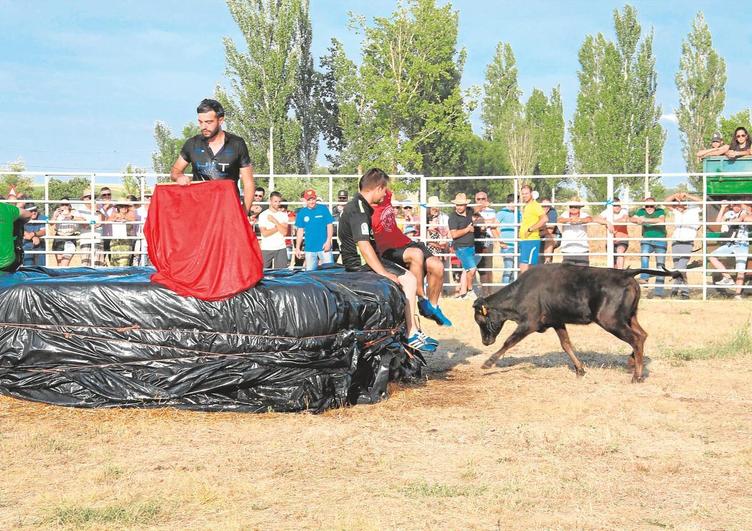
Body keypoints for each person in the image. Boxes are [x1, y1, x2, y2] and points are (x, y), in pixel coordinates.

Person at [338, 168, 437, 352]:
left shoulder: (358, 206)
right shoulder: (359, 209)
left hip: (360, 261)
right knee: (409, 279)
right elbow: (364, 246)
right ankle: (411, 332)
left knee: (404, 274)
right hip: (361, 264)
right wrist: (383, 273)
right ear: (377, 188)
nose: (385, 194)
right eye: (384, 190)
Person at [371, 187, 452, 326]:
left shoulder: (386, 196)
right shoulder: (366, 210)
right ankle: (421, 299)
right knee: (416, 254)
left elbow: (387, 187)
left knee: (437, 265)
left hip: (405, 241)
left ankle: (432, 307)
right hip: (388, 248)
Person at [170, 98, 255, 215]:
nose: (204, 126)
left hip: (227, 210)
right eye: (200, 122)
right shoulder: (192, 144)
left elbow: (248, 182)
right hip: (199, 210)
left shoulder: (237, 144)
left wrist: (244, 212)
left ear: (220, 120)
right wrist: (179, 177)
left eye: (209, 122)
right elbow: (175, 171)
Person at [708, 201, 751, 299]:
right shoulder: (729, 213)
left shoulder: (745, 212)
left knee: (740, 270)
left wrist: (732, 221)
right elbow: (717, 222)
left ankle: (737, 294)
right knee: (712, 256)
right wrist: (723, 207)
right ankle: (727, 278)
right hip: (730, 243)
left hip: (742, 244)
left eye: (738, 205)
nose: (735, 207)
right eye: (733, 205)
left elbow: (740, 220)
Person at [665, 192, 702, 299]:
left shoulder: (694, 210)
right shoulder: (676, 211)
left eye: (678, 203)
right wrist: (675, 195)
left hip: (687, 242)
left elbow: (701, 202)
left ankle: (682, 291)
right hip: (676, 242)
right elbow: (665, 202)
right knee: (678, 268)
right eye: (675, 203)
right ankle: (677, 291)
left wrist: (686, 195)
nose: (676, 205)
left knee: (681, 268)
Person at [630, 197, 667, 297]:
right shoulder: (641, 211)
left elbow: (661, 220)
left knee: (660, 266)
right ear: (644, 206)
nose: (649, 208)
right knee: (644, 256)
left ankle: (658, 292)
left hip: (660, 239)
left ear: (655, 206)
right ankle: (644, 277)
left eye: (651, 206)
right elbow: (632, 218)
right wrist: (637, 220)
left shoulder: (660, 211)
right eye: (647, 206)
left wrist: (645, 220)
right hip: (646, 238)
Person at [294, 189, 334, 271]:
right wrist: (297, 247)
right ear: (305, 200)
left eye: (313, 199)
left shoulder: (323, 209)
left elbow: (330, 225)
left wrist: (328, 241)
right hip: (309, 249)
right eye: (309, 199)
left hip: (324, 247)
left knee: (330, 272)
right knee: (310, 273)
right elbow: (300, 231)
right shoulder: (302, 212)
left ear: (316, 198)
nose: (311, 201)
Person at [448, 193, 477, 299]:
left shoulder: (470, 212)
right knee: (472, 269)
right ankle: (470, 290)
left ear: (465, 205)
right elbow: (454, 234)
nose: (459, 207)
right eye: (457, 205)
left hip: (470, 246)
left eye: (461, 205)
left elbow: (477, 208)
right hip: (461, 247)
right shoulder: (453, 217)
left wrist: (484, 204)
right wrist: (467, 229)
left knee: (467, 270)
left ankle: (463, 293)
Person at [518, 184, 547, 273]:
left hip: (531, 240)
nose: (524, 196)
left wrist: (530, 229)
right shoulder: (527, 206)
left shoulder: (535, 205)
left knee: (526, 269)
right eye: (523, 194)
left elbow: (544, 219)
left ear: (531, 193)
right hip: (525, 240)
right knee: (524, 267)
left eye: (526, 193)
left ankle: (528, 286)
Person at [594, 198, 630, 269]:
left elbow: (624, 220)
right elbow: (596, 219)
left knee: (620, 252)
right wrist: (607, 222)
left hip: (622, 239)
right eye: (615, 205)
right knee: (612, 262)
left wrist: (611, 222)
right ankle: (615, 276)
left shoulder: (624, 211)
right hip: (610, 240)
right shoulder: (607, 212)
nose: (617, 207)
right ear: (611, 206)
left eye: (619, 205)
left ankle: (620, 273)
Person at [258, 191, 289, 269]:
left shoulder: (283, 215)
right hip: (266, 248)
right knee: (263, 274)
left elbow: (284, 232)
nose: (277, 203)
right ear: (270, 201)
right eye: (275, 201)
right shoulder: (263, 215)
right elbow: (265, 233)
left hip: (281, 248)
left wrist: (275, 221)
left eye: (279, 201)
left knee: (282, 275)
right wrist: (278, 227)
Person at [473, 191, 496, 295]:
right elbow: (474, 223)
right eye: (478, 199)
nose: (481, 201)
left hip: (488, 240)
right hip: (476, 240)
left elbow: (494, 223)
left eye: (483, 199)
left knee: (488, 267)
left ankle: (488, 292)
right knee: (477, 268)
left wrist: (482, 222)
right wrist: (486, 222)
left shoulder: (492, 211)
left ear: (487, 200)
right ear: (475, 200)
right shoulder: (472, 211)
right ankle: (480, 291)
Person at [558, 198, 592, 266]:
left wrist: (579, 220)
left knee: (583, 272)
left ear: (579, 208)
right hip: (567, 249)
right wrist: (569, 219)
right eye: (571, 207)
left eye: (575, 207)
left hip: (582, 249)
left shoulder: (583, 214)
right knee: (567, 273)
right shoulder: (565, 214)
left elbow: (590, 219)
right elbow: (559, 219)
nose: (573, 208)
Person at [1, 200, 33, 272]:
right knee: (18, 221)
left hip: (7, 263)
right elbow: (28, 215)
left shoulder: (7, 208)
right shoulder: (6, 208)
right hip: (8, 263)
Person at [50, 199, 83, 267]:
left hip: (70, 237)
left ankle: (63, 276)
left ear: (69, 205)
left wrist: (72, 217)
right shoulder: (57, 212)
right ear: (60, 206)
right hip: (59, 237)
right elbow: (51, 223)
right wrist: (55, 216)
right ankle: (61, 277)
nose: (64, 206)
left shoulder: (74, 212)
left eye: (66, 204)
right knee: (59, 264)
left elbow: (83, 220)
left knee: (64, 264)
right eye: (62, 205)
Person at [75, 192, 105, 267]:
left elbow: (103, 221)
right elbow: (83, 225)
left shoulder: (99, 209)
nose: (91, 199)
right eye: (89, 197)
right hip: (85, 240)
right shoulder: (79, 210)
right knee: (86, 264)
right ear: (83, 199)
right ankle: (86, 278)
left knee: (99, 264)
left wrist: (97, 211)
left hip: (98, 239)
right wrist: (92, 225)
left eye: (93, 197)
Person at [108, 197, 137, 267]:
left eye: (125, 205)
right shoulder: (114, 213)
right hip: (115, 241)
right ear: (118, 207)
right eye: (121, 206)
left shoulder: (131, 213)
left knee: (124, 262)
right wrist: (115, 218)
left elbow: (134, 220)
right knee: (114, 262)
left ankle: (123, 276)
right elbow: (108, 220)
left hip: (126, 242)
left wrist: (124, 218)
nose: (124, 208)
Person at [494, 193, 516, 284]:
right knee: (509, 268)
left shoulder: (519, 213)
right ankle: (505, 289)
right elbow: (493, 228)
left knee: (515, 270)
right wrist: (501, 242)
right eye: (512, 202)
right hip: (507, 246)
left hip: (517, 245)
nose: (514, 205)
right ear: (508, 203)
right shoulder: (502, 212)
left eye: (516, 202)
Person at [21, 203, 47, 267]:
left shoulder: (42, 217)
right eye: (31, 211)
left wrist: (33, 234)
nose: (34, 212)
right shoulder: (22, 218)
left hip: (40, 244)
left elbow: (44, 231)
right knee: (28, 266)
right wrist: (32, 237)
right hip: (26, 244)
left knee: (41, 267)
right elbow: (19, 228)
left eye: (35, 210)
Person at [539, 198, 560, 264]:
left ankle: (547, 261)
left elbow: (550, 230)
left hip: (553, 236)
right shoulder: (535, 212)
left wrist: (536, 231)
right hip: (540, 235)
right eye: (543, 206)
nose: (546, 208)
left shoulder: (552, 212)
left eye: (548, 206)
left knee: (549, 236)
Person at [331, 189, 348, 263]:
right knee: (334, 255)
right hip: (335, 235)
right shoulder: (333, 209)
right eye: (340, 198)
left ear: (347, 198)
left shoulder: (349, 209)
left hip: (346, 235)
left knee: (346, 256)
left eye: (344, 198)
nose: (342, 199)